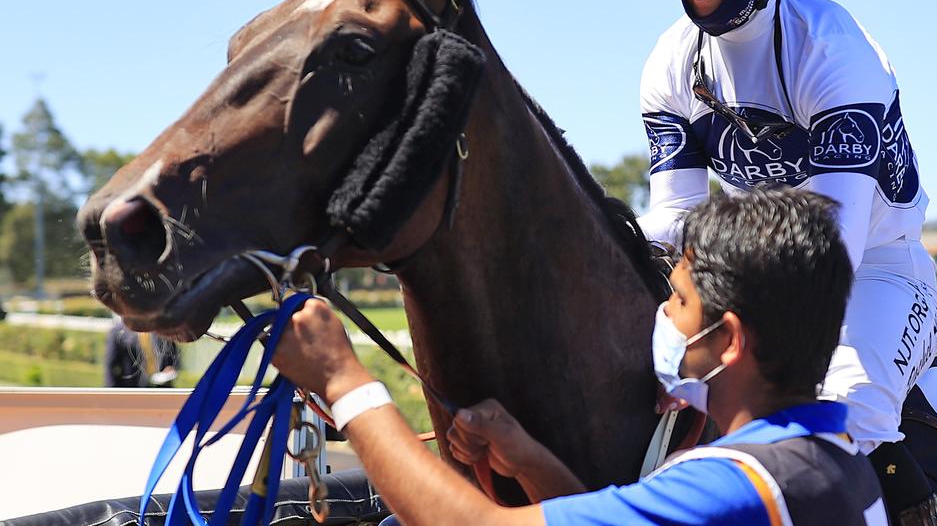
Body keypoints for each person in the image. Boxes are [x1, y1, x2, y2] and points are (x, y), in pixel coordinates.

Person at [629, 0, 937, 523]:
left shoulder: (836, 51)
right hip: (749, 281)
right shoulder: (668, 63)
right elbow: (672, 220)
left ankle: (907, 492)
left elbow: (830, 250)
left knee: (847, 409)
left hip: (876, 270)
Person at [273, 188, 888, 525]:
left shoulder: (736, 486)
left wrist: (342, 380)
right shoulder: (834, 459)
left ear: (728, 341)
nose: (664, 317)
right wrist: (528, 456)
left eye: (677, 300)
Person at [104, 315, 180, 387]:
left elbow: (174, 355)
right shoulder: (118, 331)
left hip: (162, 389)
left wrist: (171, 368)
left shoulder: (162, 327)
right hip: (133, 390)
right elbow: (110, 365)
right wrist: (113, 394)